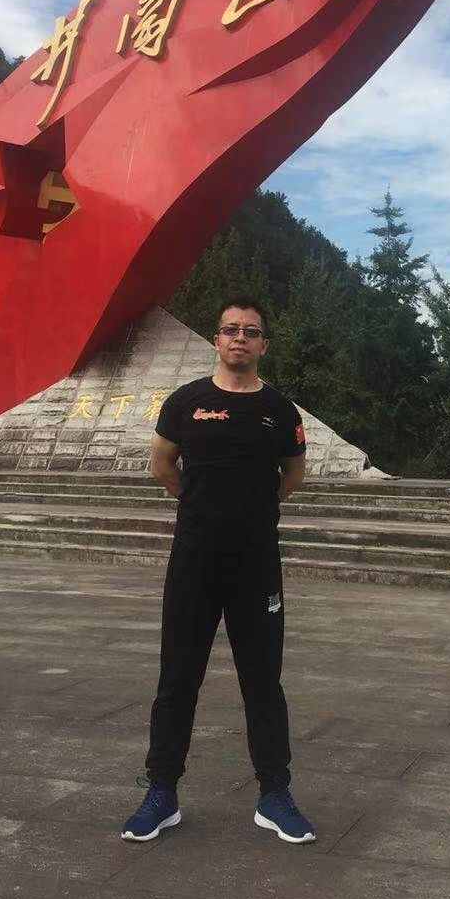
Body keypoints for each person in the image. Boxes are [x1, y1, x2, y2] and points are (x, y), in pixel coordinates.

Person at [120, 295, 316, 844]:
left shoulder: (280, 411)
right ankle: (162, 792)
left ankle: (274, 795)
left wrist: (249, 512)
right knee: (178, 677)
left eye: (250, 331)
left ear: (263, 345)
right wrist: (203, 508)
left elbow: (293, 473)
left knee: (263, 680)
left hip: (256, 561)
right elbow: (162, 464)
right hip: (195, 558)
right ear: (216, 339)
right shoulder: (186, 401)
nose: (239, 338)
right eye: (231, 329)